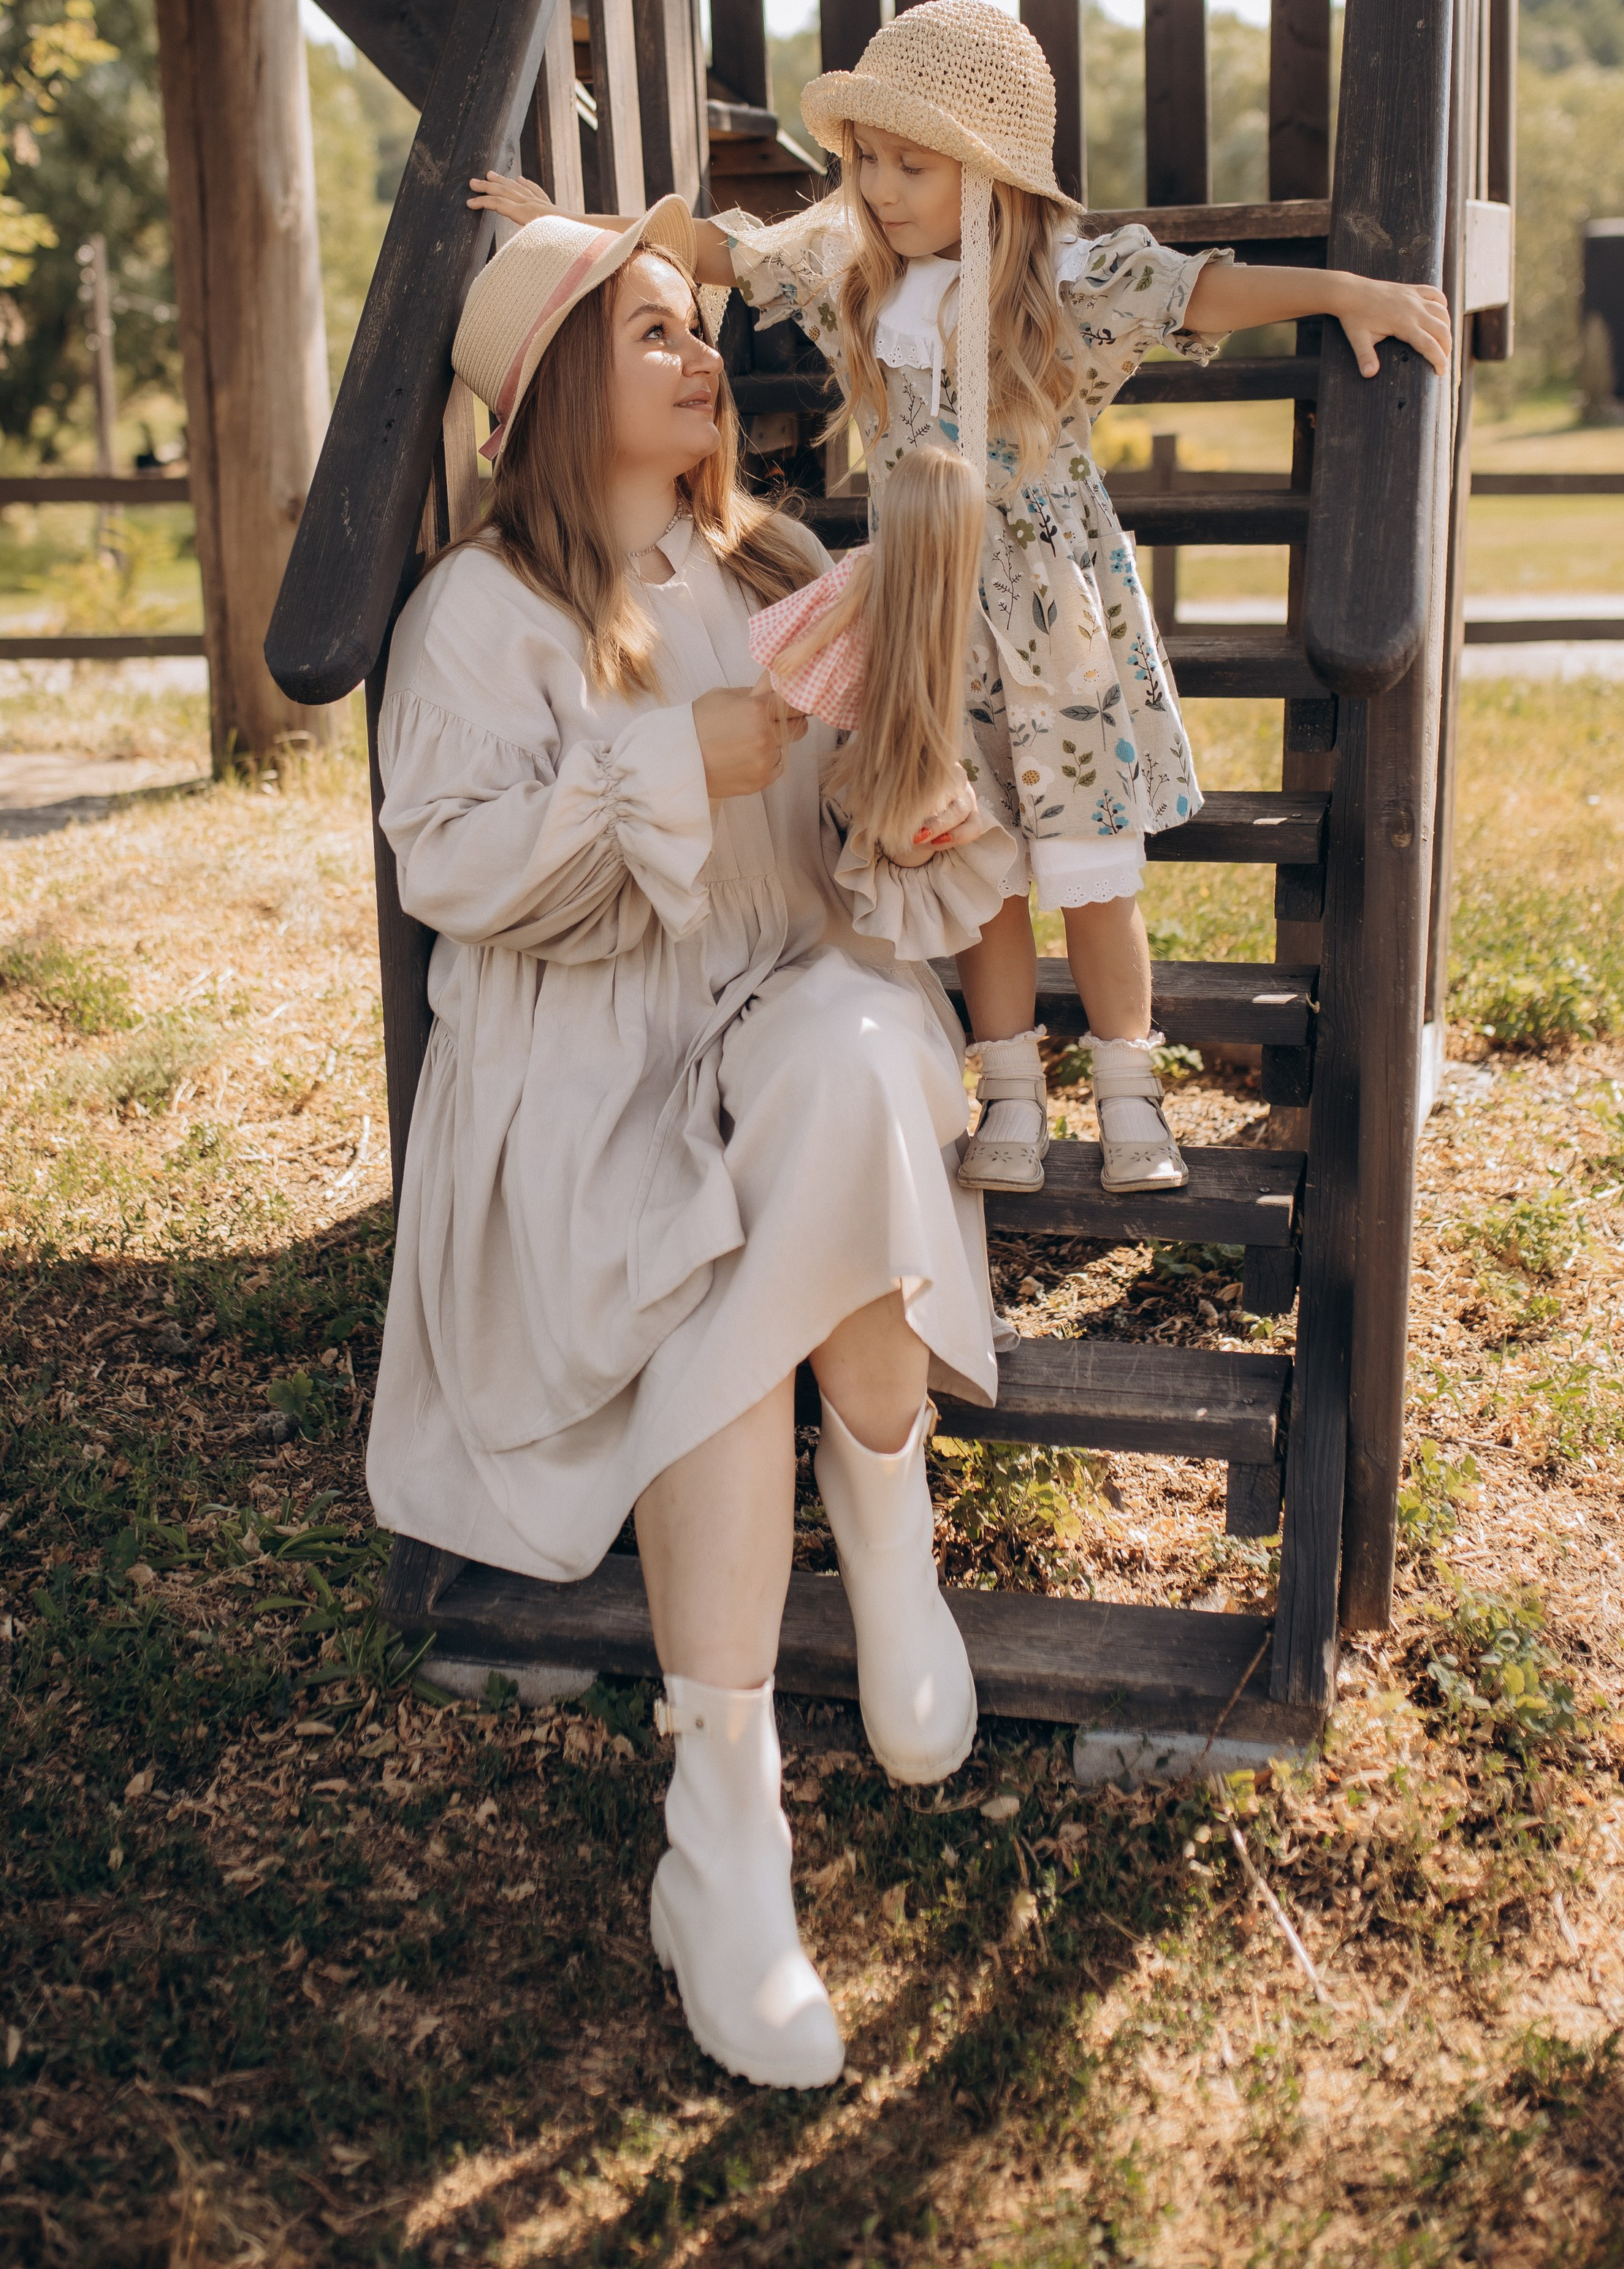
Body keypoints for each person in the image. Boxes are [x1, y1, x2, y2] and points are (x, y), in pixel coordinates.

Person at [367, 198, 1018, 2091]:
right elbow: (455, 863)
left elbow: (864, 861)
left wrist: (901, 806)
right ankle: (725, 1823)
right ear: (549, 390)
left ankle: (884, 1542)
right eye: (645, 329)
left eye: (694, 322)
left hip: (780, 1009)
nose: (697, 351)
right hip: (585, 1070)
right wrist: (680, 755)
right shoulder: (481, 614)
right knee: (715, 1266)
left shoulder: (783, 562)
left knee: (860, 1049)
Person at [471, 0, 1452, 1199]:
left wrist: (1347, 292)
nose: (881, 189)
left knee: (1091, 873)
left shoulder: (1064, 285)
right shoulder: (852, 270)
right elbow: (719, 255)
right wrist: (576, 234)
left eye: (913, 165)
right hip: (928, 625)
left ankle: (1129, 1090)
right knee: (971, 861)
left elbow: (1198, 292)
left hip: (1054, 635)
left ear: (988, 178)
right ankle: (1012, 1090)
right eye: (868, 160)